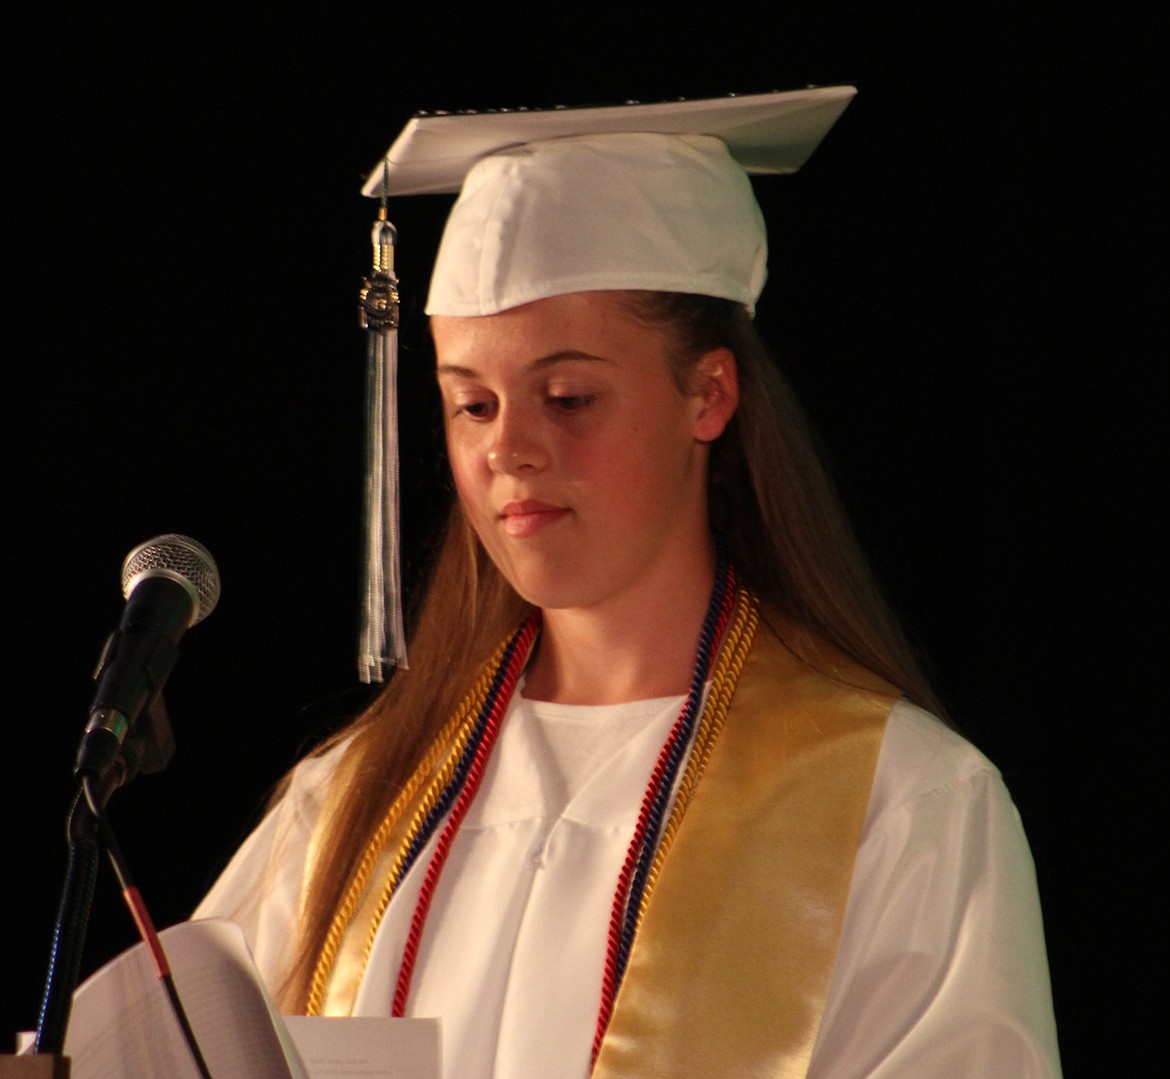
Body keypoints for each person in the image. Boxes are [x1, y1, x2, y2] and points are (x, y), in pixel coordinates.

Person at [195, 88, 1062, 1077]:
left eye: (568, 397)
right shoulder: (351, 796)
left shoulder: (900, 801)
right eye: (471, 403)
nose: (509, 449)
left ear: (709, 394)